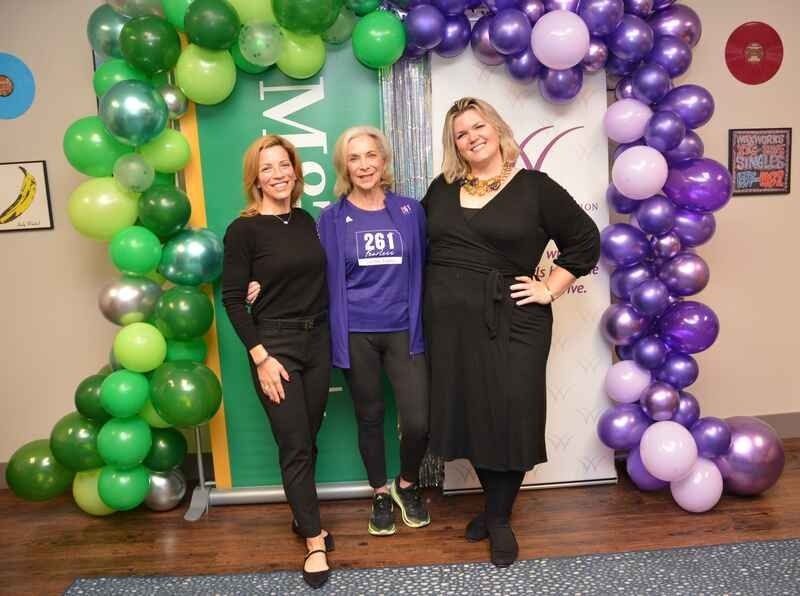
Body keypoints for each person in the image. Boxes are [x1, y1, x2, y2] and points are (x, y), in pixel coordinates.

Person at [422, 98, 601, 567]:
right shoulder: (441, 190)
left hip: (515, 320)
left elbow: (585, 239)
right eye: (460, 133)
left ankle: (499, 518)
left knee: (511, 413)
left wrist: (549, 288)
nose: (471, 137)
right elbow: (410, 244)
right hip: (451, 328)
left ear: (497, 129)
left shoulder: (535, 188)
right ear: (454, 145)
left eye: (477, 126)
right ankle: (494, 507)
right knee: (473, 415)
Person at [221, 134, 333, 589]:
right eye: (267, 168)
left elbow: (311, 280)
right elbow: (232, 301)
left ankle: (301, 515)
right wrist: (262, 358)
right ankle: (313, 541)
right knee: (295, 444)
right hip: (275, 348)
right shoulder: (243, 230)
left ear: (295, 169)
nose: (278, 174)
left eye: (283, 164)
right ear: (256, 178)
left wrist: (263, 281)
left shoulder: (306, 220)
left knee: (308, 436)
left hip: (318, 341)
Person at [317, 126, 430, 536]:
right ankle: (380, 492)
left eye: (370, 156)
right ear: (344, 166)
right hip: (356, 335)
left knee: (417, 420)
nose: (364, 165)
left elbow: (430, 266)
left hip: (405, 330)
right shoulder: (330, 219)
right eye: (354, 158)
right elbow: (311, 274)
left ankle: (407, 484)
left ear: (384, 161)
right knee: (370, 416)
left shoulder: (410, 212)